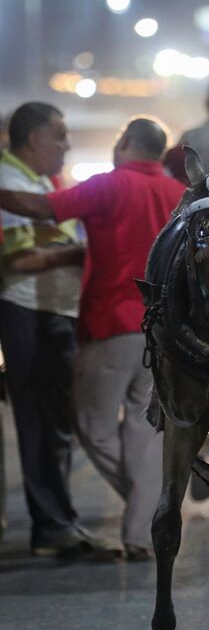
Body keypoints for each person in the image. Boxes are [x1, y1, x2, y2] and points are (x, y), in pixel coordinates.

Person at [0, 117, 185, 561]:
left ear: (126, 143)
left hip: (113, 323)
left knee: (93, 427)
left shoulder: (110, 185)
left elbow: (39, 207)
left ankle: (150, 509)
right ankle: (143, 529)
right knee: (143, 429)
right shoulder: (179, 194)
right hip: (163, 330)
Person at [0, 101, 106, 558]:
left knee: (56, 424)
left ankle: (59, 522)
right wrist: (79, 253)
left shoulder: (39, 181)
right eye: (59, 135)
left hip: (51, 309)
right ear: (32, 139)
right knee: (43, 424)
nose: (67, 145)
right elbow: (19, 260)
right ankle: (53, 527)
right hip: (31, 312)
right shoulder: (12, 185)